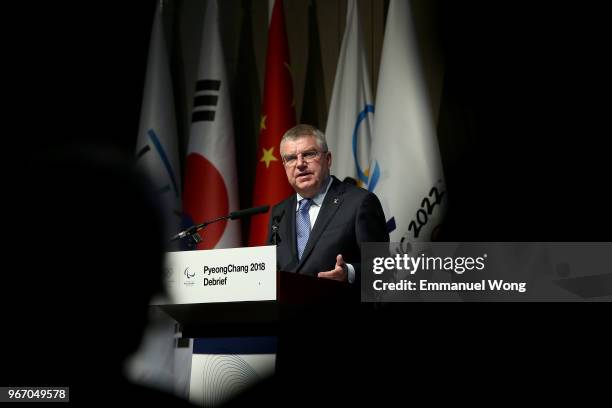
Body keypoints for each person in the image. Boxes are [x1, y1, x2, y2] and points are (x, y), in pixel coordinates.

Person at [267, 124, 389, 287]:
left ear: (328, 159)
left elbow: (384, 269)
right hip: (287, 311)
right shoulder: (279, 212)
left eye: (309, 154)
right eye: (291, 158)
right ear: (284, 165)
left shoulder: (359, 203)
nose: (300, 164)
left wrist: (350, 273)